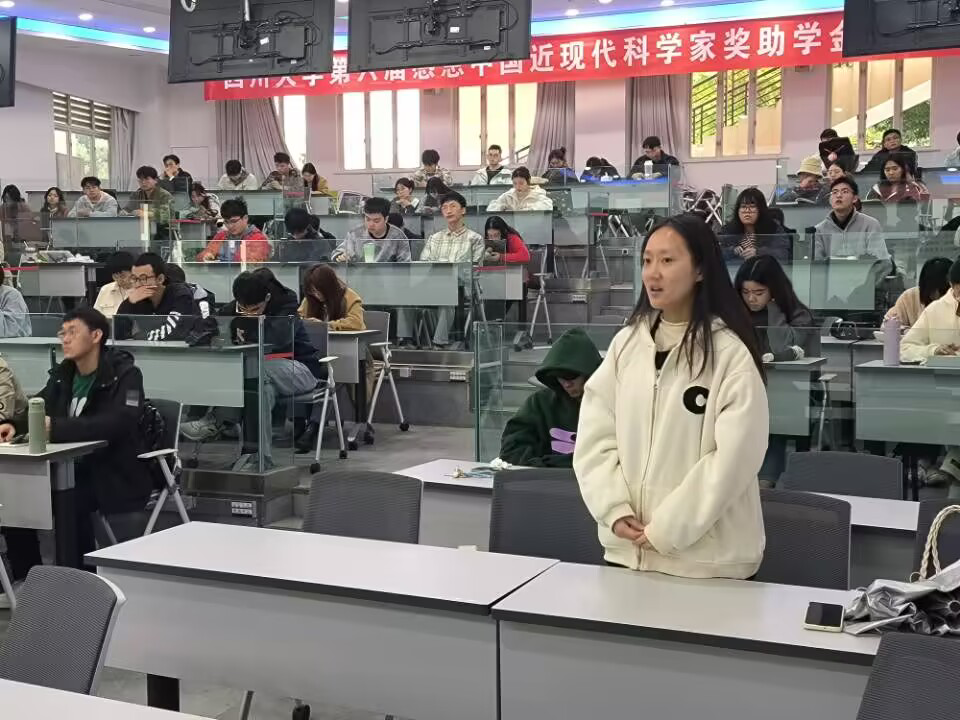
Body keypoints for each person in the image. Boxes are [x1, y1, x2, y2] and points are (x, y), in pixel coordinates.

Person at [574, 213, 768, 576]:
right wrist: (612, 508)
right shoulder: (626, 344)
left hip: (707, 564)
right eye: (647, 260)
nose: (653, 273)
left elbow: (735, 459)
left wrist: (669, 528)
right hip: (628, 555)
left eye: (667, 260)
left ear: (700, 270)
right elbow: (595, 436)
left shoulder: (729, 354)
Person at [0, 307, 150, 579]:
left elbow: (118, 422)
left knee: (71, 499)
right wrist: (15, 425)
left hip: (111, 470)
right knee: (17, 496)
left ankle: (79, 579)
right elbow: (41, 404)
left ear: (96, 335)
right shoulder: (64, 374)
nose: (65, 339)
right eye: (62, 333)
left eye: (72, 332)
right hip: (65, 467)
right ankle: (28, 575)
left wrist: (58, 428)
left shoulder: (125, 374)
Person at [183, 271, 323, 468]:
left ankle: (217, 420)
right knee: (261, 391)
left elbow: (277, 338)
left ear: (267, 297)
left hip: (299, 369)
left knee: (251, 370)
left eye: (256, 309)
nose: (250, 314)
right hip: (260, 374)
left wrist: (247, 329)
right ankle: (259, 460)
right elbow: (210, 324)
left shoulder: (287, 303)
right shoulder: (239, 305)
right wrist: (205, 334)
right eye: (243, 309)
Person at [498, 328, 602, 467]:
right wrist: (546, 467)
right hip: (547, 479)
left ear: (589, 372)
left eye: (571, 376)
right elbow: (511, 450)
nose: (566, 383)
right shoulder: (540, 404)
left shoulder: (611, 404)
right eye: (559, 376)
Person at [900, 259, 960, 494]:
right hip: (943, 391)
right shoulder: (936, 309)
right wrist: (933, 349)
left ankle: (952, 467)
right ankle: (951, 467)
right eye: (957, 291)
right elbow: (905, 348)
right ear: (951, 285)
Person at [420, 191, 485, 349]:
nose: (448, 211)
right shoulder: (434, 238)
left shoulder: (475, 238)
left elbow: (475, 269)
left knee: (448, 292)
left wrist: (450, 274)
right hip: (433, 284)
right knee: (406, 292)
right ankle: (405, 341)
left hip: (462, 286)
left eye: (453, 206)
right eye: (444, 208)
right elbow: (424, 263)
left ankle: (439, 342)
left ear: (463, 210)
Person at [735, 255, 817, 363]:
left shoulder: (799, 316)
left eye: (759, 293)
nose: (751, 299)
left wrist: (774, 309)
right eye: (745, 292)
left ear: (775, 289)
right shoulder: (738, 312)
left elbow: (781, 349)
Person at [116, 252, 199, 341]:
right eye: (135, 279)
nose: (137, 284)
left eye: (143, 279)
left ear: (160, 279)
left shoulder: (180, 295)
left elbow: (173, 332)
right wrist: (129, 302)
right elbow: (117, 333)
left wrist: (140, 336)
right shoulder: (137, 299)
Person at [814, 176, 888, 260]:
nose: (838, 195)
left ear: (855, 198)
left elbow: (880, 260)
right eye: (834, 192)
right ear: (830, 200)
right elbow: (816, 263)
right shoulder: (819, 230)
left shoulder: (871, 225)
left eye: (845, 192)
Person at [717, 188, 790, 263]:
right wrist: (732, 251)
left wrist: (758, 252)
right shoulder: (728, 230)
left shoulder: (773, 228)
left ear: (761, 210)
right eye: (743, 207)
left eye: (752, 207)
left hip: (763, 268)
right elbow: (715, 253)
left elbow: (784, 254)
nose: (747, 211)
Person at [332, 196, 411, 263]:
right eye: (368, 219)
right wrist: (340, 256)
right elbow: (338, 252)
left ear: (386, 219)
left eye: (376, 221)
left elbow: (405, 264)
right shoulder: (355, 233)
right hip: (359, 274)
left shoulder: (398, 236)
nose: (371, 224)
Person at [886, 256, 952, 329]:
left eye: (942, 290)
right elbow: (887, 323)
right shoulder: (910, 297)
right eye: (931, 289)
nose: (936, 295)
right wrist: (905, 330)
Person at [197, 198, 271, 262]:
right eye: (226, 222)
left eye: (234, 221)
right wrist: (206, 256)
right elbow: (201, 257)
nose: (230, 226)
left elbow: (250, 263)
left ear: (245, 218)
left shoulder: (258, 239)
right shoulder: (221, 236)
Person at [299, 263, 366, 331]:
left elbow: (356, 323)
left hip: (341, 337)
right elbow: (299, 317)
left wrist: (325, 325)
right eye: (312, 291)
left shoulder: (350, 297)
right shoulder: (311, 298)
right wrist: (307, 322)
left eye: (319, 291)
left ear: (329, 286)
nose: (316, 295)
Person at [866, 153, 931, 204]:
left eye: (895, 169)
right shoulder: (876, 189)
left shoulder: (913, 188)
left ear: (903, 170)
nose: (891, 173)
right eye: (887, 170)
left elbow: (920, 209)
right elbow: (868, 209)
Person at [487, 167, 554, 212]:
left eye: (521, 183)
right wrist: (500, 207)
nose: (517, 186)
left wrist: (530, 209)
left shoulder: (537, 194)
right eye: (515, 183)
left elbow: (548, 206)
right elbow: (491, 208)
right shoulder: (509, 195)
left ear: (528, 181)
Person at [93, 251, 134, 318]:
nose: (119, 280)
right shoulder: (105, 289)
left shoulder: (142, 291)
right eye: (115, 277)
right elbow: (95, 317)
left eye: (122, 276)